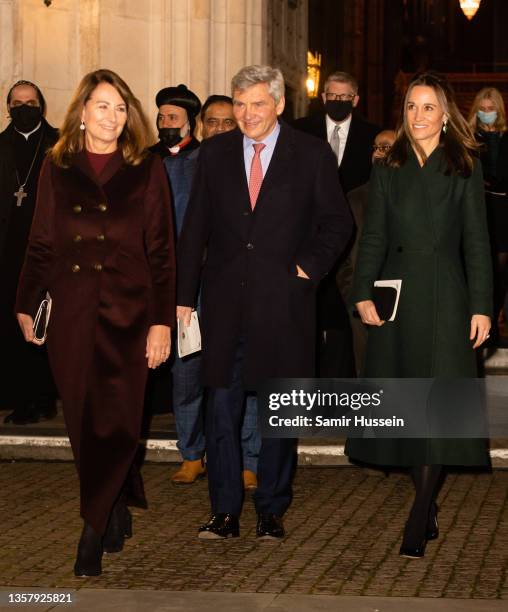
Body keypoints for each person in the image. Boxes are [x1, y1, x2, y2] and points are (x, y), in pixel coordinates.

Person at [177, 64, 352, 540]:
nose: (247, 114)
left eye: (257, 104)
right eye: (239, 104)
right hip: (224, 305)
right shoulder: (213, 155)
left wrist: (306, 269)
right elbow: (195, 230)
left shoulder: (311, 155)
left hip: (285, 307)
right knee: (221, 411)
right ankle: (224, 511)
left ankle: (271, 509)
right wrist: (182, 298)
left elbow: (338, 224)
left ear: (278, 105)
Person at [15, 69, 176, 577]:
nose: (112, 117)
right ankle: (117, 502)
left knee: (121, 420)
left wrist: (161, 323)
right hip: (74, 314)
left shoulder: (146, 170)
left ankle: (92, 524)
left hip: (129, 315)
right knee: (84, 421)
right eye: (102, 106)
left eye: (121, 108)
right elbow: (40, 242)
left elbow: (163, 253)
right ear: (82, 112)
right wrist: (24, 302)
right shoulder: (55, 168)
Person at [347, 72, 492, 558]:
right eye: (411, 107)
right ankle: (426, 503)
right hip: (399, 295)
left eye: (428, 107)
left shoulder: (464, 166)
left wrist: (481, 307)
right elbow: (373, 236)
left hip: (448, 295)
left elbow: (477, 243)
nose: (418, 116)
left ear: (446, 114)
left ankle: (419, 511)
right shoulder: (390, 165)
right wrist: (362, 292)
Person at [167, 93, 261, 488]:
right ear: (200, 125)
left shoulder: (254, 167)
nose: (221, 128)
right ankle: (192, 453)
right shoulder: (176, 169)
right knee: (187, 372)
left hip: (240, 288)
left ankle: (248, 459)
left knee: (246, 374)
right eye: (213, 122)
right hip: (191, 290)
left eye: (228, 121)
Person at [293, 71, 381, 378]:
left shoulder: (374, 135)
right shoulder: (300, 131)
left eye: (345, 97)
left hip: (355, 237)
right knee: (311, 316)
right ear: (323, 97)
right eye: (332, 96)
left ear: (355, 100)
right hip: (311, 237)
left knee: (348, 320)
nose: (338, 101)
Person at [0, 80, 58, 425]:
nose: (24, 108)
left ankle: (44, 397)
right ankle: (17, 396)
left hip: (46, 250)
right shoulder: (1, 145)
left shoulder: (59, 143)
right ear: (8, 108)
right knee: (11, 325)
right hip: (7, 251)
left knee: (44, 323)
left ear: (42, 106)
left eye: (31, 102)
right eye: (17, 103)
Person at [338, 129, 397, 373]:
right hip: (365, 304)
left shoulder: (422, 197)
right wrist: (355, 295)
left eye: (385, 147)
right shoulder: (355, 199)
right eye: (376, 148)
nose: (377, 154)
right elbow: (343, 258)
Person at [468, 88, 508, 344]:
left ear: (499, 110)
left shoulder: (507, 137)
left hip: (504, 206)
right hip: (478, 205)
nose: (486, 113)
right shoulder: (469, 137)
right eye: (482, 108)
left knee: (501, 265)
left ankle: (496, 315)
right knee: (483, 261)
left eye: (491, 109)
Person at [149, 84, 201, 159]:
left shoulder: (202, 154)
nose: (165, 124)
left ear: (189, 122)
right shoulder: (148, 156)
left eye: (172, 117)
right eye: (161, 118)